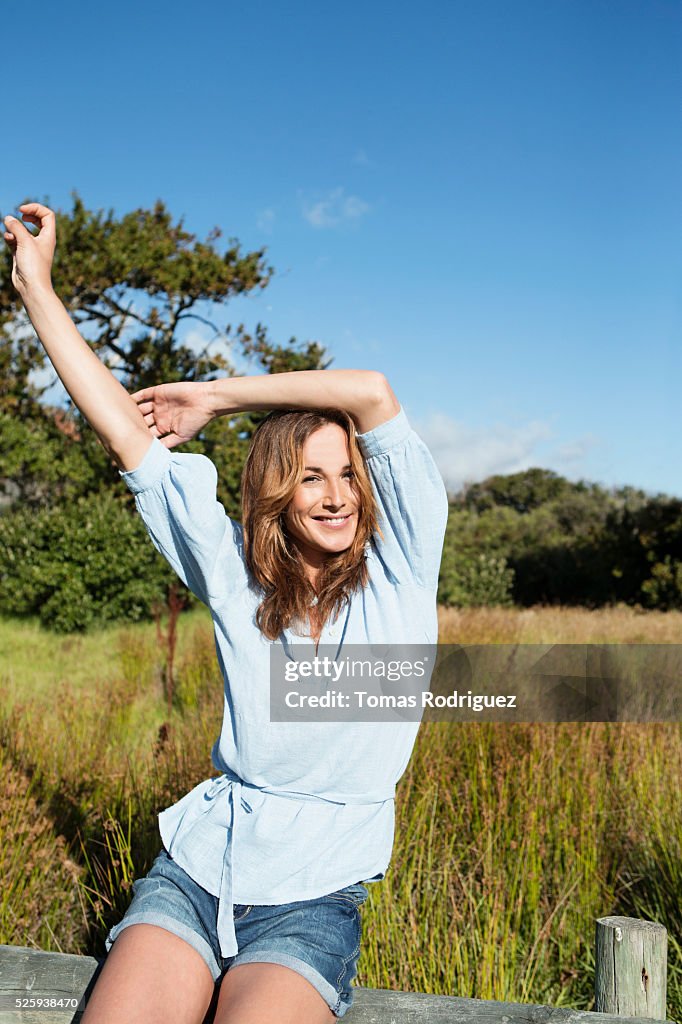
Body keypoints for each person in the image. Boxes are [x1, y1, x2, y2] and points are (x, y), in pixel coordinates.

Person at [3, 203, 449, 1024]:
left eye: (348, 474)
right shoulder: (240, 580)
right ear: (277, 495)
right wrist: (37, 288)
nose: (337, 496)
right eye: (311, 477)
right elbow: (123, 433)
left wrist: (217, 396)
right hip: (198, 872)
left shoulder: (401, 577)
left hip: (312, 903)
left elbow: (371, 392)